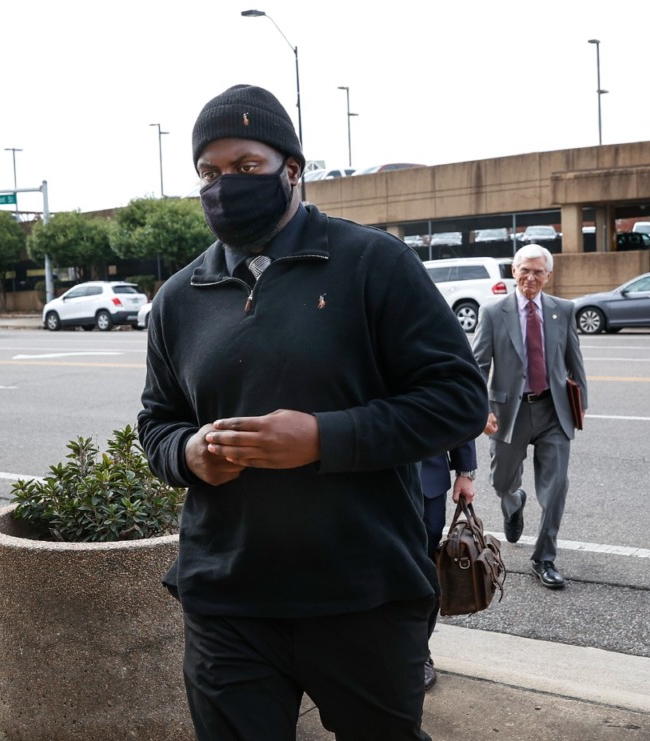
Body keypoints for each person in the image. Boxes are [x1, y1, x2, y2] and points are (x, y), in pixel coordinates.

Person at [137, 83, 489, 740]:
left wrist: (323, 438)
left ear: (291, 169)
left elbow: (460, 399)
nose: (224, 184)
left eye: (245, 167)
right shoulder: (179, 299)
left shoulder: (372, 263)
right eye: (209, 172)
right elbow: (156, 421)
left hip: (362, 594)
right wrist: (187, 454)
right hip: (228, 596)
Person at [471, 243, 588, 590]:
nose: (531, 277)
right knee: (502, 482)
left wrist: (581, 402)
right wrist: (482, 409)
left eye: (539, 271)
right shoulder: (493, 312)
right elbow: (478, 365)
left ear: (548, 276)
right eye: (525, 270)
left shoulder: (563, 310)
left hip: (554, 411)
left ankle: (545, 558)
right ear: (514, 271)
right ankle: (514, 504)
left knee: (556, 489)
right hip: (510, 412)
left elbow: (574, 359)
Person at [419, 413, 496, 691]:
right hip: (370, 477)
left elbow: (456, 396)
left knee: (426, 570)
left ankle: (418, 654)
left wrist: (465, 472)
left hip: (426, 476)